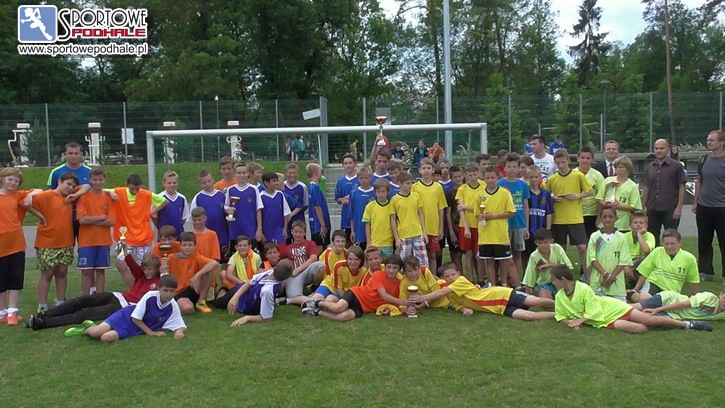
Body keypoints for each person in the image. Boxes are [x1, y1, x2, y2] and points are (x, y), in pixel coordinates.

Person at [551, 265, 711, 333]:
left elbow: (594, 309)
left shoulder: (583, 288)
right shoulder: (559, 296)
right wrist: (571, 323)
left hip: (611, 309)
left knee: (649, 321)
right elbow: (560, 316)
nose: (552, 282)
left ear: (563, 279)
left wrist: (579, 321)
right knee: (640, 329)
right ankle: (661, 319)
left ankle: (688, 325)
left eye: (554, 279)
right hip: (602, 321)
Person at [26, 253, 161, 330]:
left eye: (150, 269)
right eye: (145, 269)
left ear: (157, 269)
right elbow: (130, 261)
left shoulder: (160, 282)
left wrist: (164, 270)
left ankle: (44, 323)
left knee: (85, 313)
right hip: (117, 296)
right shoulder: (141, 275)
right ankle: (44, 315)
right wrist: (123, 247)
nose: (147, 272)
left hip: (124, 307)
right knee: (81, 300)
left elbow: (166, 285)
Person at [411, 262, 555, 320]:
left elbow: (441, 292)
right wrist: (464, 310)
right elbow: (457, 304)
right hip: (498, 308)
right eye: (447, 276)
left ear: (458, 273)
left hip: (502, 294)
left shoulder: (460, 282)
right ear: (444, 278)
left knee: (537, 301)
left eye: (453, 274)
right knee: (528, 316)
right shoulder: (449, 292)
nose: (451, 278)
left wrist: (422, 298)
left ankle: (563, 304)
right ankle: (559, 315)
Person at [67, 274, 187, 342]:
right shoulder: (150, 296)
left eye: (171, 291)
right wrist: (151, 333)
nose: (168, 294)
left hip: (137, 328)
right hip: (127, 317)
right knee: (97, 333)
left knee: (105, 338)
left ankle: (96, 326)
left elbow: (180, 324)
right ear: (159, 289)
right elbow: (135, 318)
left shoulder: (172, 305)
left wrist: (179, 331)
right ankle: (84, 330)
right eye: (165, 290)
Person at [300, 254, 412, 320]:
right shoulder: (379, 274)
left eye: (394, 268)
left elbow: (396, 303)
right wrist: (404, 302)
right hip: (356, 294)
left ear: (399, 269)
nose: (391, 271)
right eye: (389, 267)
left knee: (342, 317)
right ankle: (316, 303)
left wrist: (406, 309)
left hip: (364, 307)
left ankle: (316, 312)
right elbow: (383, 295)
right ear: (385, 267)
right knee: (338, 308)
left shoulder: (399, 283)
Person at [32, 172, 79, 313]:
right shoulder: (46, 195)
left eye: (73, 186)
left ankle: (60, 302)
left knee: (62, 272)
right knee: (47, 274)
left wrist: (75, 193)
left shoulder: (71, 197)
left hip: (66, 241)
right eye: (68, 184)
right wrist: (40, 216)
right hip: (47, 242)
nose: (70, 188)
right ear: (59, 182)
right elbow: (25, 203)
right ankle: (42, 306)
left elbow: (87, 187)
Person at [0, 167, 42, 325]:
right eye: (10, 179)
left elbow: (39, 191)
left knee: (16, 279)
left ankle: (12, 312)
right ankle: (1, 312)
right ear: (3, 179)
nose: (12, 183)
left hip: (16, 245)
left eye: (16, 181)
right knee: (1, 281)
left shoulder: (17, 195)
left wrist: (30, 194)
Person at [545, 149, 593, 281]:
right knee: (561, 250)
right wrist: (553, 198)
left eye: (563, 162)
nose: (561, 165)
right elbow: (545, 194)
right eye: (558, 163)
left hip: (575, 218)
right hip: (558, 219)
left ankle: (589, 279)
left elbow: (590, 191)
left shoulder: (578, 176)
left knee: (583, 248)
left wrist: (577, 196)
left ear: (568, 161)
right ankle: (561, 279)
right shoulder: (552, 178)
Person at [76, 167, 115, 296]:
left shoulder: (108, 197)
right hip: (86, 241)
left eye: (100, 179)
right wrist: (101, 217)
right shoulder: (84, 197)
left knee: (101, 271)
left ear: (104, 180)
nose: (98, 182)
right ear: (90, 180)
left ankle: (99, 297)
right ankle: (85, 298)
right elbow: (82, 220)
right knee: (86, 271)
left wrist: (91, 221)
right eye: (95, 180)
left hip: (103, 241)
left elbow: (111, 221)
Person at [631, 229, 699, 302]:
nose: (669, 247)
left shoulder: (689, 258)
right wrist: (635, 289)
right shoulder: (657, 251)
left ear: (680, 243)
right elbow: (645, 272)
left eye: (672, 244)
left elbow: (692, 280)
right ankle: (631, 294)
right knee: (644, 298)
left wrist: (695, 297)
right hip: (654, 284)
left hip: (671, 291)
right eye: (666, 244)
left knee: (667, 305)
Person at [693, 130, 725, 282]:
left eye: (712, 140)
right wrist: (696, 201)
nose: (709, 142)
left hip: (722, 207)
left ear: (722, 142)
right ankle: (706, 271)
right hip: (704, 206)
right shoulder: (703, 159)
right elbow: (699, 181)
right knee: (704, 241)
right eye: (708, 140)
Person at [477, 166, 518, 287]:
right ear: (484, 179)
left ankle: (519, 286)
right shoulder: (480, 195)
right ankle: (493, 287)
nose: (490, 180)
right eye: (487, 178)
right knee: (489, 262)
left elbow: (511, 212)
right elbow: (477, 213)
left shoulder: (505, 193)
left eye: (492, 177)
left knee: (509, 262)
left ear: (497, 178)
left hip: (500, 235)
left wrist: (494, 216)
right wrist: (481, 216)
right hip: (486, 235)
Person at [112, 173, 167, 262]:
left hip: (143, 236)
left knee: (143, 264)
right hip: (125, 236)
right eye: (132, 189)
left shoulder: (146, 194)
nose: (135, 191)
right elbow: (102, 191)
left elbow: (164, 201)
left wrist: (151, 212)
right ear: (127, 185)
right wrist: (110, 193)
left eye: (137, 189)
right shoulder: (118, 192)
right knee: (123, 262)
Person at [642, 139, 686, 246]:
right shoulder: (649, 167)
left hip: (670, 209)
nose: (659, 151)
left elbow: (682, 187)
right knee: (652, 239)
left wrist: (679, 208)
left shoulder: (676, 166)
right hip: (652, 208)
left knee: (671, 238)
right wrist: (642, 208)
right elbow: (646, 188)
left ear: (668, 149)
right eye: (656, 148)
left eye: (662, 148)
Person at [226, 260, 294, 326]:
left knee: (221, 302)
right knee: (221, 300)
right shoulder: (270, 273)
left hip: (245, 304)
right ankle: (223, 290)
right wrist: (235, 297)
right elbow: (250, 282)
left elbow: (266, 317)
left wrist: (247, 318)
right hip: (242, 290)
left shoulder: (268, 290)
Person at [167, 232, 218, 314]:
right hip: (178, 292)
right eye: (185, 245)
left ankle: (201, 301)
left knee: (209, 270)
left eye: (190, 245)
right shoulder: (171, 258)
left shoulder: (196, 256)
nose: (187, 247)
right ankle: (175, 306)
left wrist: (197, 275)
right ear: (180, 246)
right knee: (188, 309)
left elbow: (214, 263)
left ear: (195, 247)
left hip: (192, 288)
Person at [497, 153, 530, 279]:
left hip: (519, 224)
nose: (511, 169)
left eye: (514, 166)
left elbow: (525, 206)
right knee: (505, 256)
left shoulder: (523, 185)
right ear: (504, 168)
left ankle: (518, 280)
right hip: (504, 224)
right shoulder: (499, 184)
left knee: (517, 255)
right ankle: (504, 281)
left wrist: (526, 227)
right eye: (509, 166)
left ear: (518, 168)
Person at [587, 207, 631, 301]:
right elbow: (592, 258)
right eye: (604, 217)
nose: (607, 219)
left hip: (617, 282)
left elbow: (623, 260)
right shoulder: (595, 236)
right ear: (600, 218)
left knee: (620, 308)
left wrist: (612, 277)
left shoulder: (622, 238)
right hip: (598, 281)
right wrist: (605, 275)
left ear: (616, 218)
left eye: (610, 217)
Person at [277, 221, 326, 305]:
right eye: (296, 232)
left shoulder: (310, 243)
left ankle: (314, 287)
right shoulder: (287, 248)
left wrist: (298, 269)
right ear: (292, 232)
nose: (298, 234)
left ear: (305, 232)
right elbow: (282, 262)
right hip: (294, 275)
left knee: (321, 265)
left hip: (307, 270)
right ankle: (312, 299)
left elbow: (313, 258)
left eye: (300, 232)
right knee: (292, 295)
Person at [412, 158, 447, 273]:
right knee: (418, 256)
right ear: (419, 170)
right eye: (424, 168)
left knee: (432, 255)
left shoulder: (438, 187)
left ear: (433, 170)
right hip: (419, 228)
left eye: (428, 168)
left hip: (433, 227)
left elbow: (441, 208)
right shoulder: (415, 187)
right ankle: (420, 278)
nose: (426, 170)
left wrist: (441, 228)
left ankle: (432, 277)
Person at [191, 169, 230, 268]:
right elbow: (194, 220)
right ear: (201, 184)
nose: (207, 184)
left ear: (213, 180)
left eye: (209, 181)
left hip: (222, 236)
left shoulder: (222, 195)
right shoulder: (198, 198)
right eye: (204, 182)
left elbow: (227, 213)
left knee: (223, 262)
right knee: (209, 262)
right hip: (206, 238)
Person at [522, 228, 572, 299]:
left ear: (551, 241)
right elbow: (530, 274)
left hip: (560, 280)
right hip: (545, 283)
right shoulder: (534, 256)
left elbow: (568, 267)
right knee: (544, 300)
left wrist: (550, 265)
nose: (543, 245)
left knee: (569, 297)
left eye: (546, 242)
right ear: (535, 242)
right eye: (540, 243)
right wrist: (527, 295)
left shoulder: (557, 248)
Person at [455, 164, 486, 282]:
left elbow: (484, 207)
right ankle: (470, 280)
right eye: (470, 175)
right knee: (468, 254)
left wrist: (467, 207)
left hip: (480, 225)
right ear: (465, 175)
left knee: (479, 255)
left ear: (478, 173)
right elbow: (460, 209)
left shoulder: (484, 186)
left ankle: (481, 280)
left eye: (474, 174)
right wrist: (466, 228)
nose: (473, 177)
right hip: (466, 225)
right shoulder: (462, 189)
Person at [391, 171, 428, 268]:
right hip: (404, 235)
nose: (410, 185)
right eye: (407, 183)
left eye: (411, 183)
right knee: (405, 263)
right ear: (399, 183)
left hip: (418, 233)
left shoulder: (416, 196)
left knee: (423, 262)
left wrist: (424, 232)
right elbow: (393, 220)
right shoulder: (394, 200)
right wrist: (397, 238)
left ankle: (423, 277)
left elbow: (420, 214)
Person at [597, 156, 642, 233]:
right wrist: (606, 204)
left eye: (620, 167)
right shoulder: (607, 181)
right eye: (616, 167)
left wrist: (619, 206)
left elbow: (635, 207)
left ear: (627, 169)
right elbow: (599, 198)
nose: (617, 169)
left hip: (623, 225)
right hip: (606, 223)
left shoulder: (633, 186)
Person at [226, 162, 264, 250]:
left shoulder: (254, 189)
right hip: (235, 230)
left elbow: (258, 210)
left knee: (252, 255)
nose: (241, 175)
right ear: (235, 174)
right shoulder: (230, 190)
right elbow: (226, 207)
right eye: (239, 173)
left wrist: (259, 229)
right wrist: (228, 210)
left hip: (250, 230)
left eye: (244, 173)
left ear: (248, 174)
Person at [632, 290, 725, 321]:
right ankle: (631, 295)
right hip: (669, 300)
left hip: (674, 315)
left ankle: (633, 295)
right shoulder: (708, 297)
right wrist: (657, 309)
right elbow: (684, 304)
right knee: (636, 307)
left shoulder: (722, 314)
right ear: (720, 294)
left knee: (643, 318)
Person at [525, 166, 553, 265]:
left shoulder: (546, 194)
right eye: (531, 177)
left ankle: (543, 271)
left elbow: (549, 212)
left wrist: (548, 229)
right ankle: (528, 272)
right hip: (529, 230)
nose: (534, 179)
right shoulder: (526, 192)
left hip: (542, 229)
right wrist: (526, 227)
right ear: (527, 178)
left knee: (542, 253)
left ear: (540, 177)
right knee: (528, 254)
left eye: (536, 177)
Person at [575, 147, 605, 239]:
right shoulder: (572, 174)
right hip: (576, 214)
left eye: (588, 158)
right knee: (580, 243)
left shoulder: (598, 176)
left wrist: (599, 217)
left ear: (592, 160)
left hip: (592, 214)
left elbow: (601, 197)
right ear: (578, 159)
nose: (585, 160)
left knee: (592, 240)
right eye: (582, 158)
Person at [622, 212, 655, 288]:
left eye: (641, 223)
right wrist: (624, 266)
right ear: (630, 225)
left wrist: (639, 235)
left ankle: (638, 286)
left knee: (648, 256)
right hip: (627, 263)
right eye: (635, 222)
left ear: (646, 226)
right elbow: (619, 254)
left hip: (641, 263)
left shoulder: (649, 236)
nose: (638, 225)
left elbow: (646, 251)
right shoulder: (624, 236)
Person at [363, 179, 395, 256]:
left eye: (383, 191)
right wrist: (369, 242)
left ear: (388, 192)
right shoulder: (370, 206)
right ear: (375, 192)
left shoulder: (392, 205)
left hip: (388, 243)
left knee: (387, 263)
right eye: (378, 192)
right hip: (374, 243)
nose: (381, 194)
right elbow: (367, 225)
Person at [259, 172, 291, 246]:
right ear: (266, 183)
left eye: (277, 181)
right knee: (270, 250)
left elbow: (286, 212)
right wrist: (261, 232)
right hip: (266, 230)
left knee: (281, 247)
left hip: (279, 229)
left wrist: (285, 228)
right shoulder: (261, 196)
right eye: (273, 181)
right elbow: (258, 216)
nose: (276, 183)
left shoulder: (280, 194)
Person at [156, 170, 189, 240]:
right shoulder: (159, 198)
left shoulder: (182, 198)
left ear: (177, 183)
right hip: (164, 236)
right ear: (164, 183)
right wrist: (161, 227)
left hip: (178, 234)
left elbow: (184, 217)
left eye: (174, 183)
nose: (172, 185)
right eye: (169, 183)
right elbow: (154, 217)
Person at [334, 153, 359, 245]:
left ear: (355, 164)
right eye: (346, 163)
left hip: (357, 217)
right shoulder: (341, 181)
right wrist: (342, 200)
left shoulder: (360, 179)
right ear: (343, 165)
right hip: (346, 219)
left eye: (350, 163)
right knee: (346, 244)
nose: (348, 165)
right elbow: (337, 198)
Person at [444, 165, 464, 274]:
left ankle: (473, 278)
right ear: (451, 179)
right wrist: (451, 232)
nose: (458, 179)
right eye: (455, 177)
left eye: (459, 176)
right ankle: (458, 276)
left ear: (463, 176)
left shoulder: (468, 191)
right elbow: (448, 214)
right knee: (456, 254)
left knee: (471, 254)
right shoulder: (450, 193)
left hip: (468, 225)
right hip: (455, 226)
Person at [349, 167, 375, 249]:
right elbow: (351, 214)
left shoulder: (375, 192)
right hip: (359, 231)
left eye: (366, 178)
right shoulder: (353, 193)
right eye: (361, 178)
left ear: (370, 178)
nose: (363, 180)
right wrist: (352, 231)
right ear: (358, 179)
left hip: (374, 231)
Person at [307, 163, 331, 253]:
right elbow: (317, 207)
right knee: (320, 249)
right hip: (318, 225)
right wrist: (322, 225)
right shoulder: (314, 188)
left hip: (319, 224)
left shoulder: (314, 187)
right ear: (317, 173)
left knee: (323, 247)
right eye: (321, 172)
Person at [283, 163, 308, 242]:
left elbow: (305, 204)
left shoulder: (302, 186)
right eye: (290, 173)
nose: (292, 175)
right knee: (287, 241)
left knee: (300, 242)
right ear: (286, 173)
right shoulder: (282, 185)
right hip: (285, 220)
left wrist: (293, 213)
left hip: (298, 219)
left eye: (294, 173)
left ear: (298, 173)